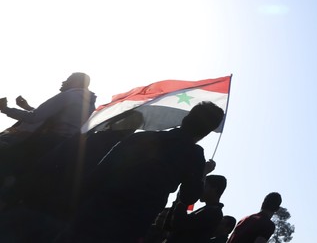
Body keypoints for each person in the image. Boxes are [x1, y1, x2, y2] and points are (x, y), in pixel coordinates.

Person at [69, 101, 225, 243]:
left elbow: (101, 171)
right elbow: (189, 196)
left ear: (187, 118)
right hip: (130, 225)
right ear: (206, 132)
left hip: (94, 211)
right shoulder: (194, 155)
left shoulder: (143, 137)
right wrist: (203, 173)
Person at [166, 174, 228, 243]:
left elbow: (178, 225)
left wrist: (185, 200)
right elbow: (169, 225)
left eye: (204, 186)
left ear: (214, 189)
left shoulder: (213, 212)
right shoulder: (208, 210)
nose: (200, 189)